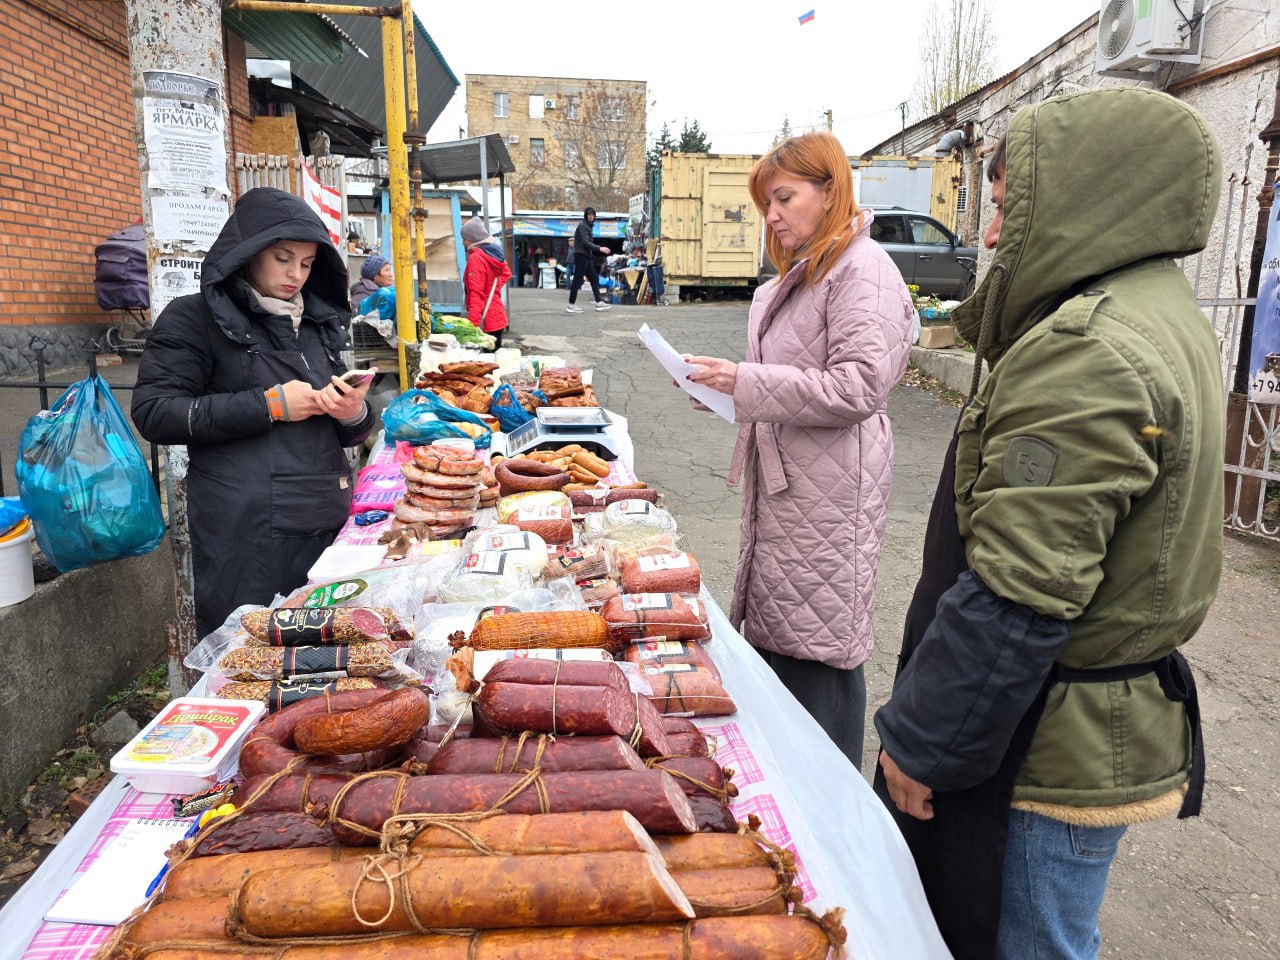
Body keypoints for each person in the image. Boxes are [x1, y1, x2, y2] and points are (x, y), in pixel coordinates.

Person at [872, 88, 1224, 960]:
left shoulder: (1089, 346)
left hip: (1044, 739)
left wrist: (920, 746)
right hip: (1070, 719)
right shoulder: (1155, 310)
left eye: (1006, 206)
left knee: (1028, 942)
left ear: (1080, 195)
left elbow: (1020, 590)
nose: (991, 235)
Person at [681, 132, 915, 768]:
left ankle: (832, 817)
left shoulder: (862, 271)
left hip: (831, 490)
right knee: (786, 635)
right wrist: (721, 391)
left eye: (783, 198)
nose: (772, 216)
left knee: (820, 646)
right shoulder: (815, 269)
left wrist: (745, 381)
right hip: (797, 484)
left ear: (830, 191)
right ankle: (794, 799)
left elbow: (858, 385)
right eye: (766, 204)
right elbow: (787, 385)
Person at [132, 187, 376, 638]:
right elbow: (155, 412)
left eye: (305, 263)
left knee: (326, 660)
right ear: (248, 253)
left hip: (323, 516)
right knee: (248, 654)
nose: (295, 274)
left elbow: (353, 430)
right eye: (282, 258)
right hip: (246, 532)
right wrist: (268, 406)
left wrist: (351, 412)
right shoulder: (193, 318)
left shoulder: (317, 323)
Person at [461, 216, 512, 348]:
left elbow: (476, 294)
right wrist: (491, 289)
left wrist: (473, 326)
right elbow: (506, 273)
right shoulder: (491, 254)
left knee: (486, 364)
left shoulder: (476, 258)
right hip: (497, 316)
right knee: (496, 362)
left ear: (472, 239)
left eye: (464, 239)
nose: (463, 243)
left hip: (486, 320)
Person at [566, 206, 611, 313]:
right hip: (581, 255)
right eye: (589, 215)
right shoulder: (582, 226)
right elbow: (586, 242)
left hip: (586, 256)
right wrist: (600, 248)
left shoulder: (588, 227)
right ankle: (571, 305)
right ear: (586, 216)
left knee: (594, 278)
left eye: (592, 215)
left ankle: (599, 302)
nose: (591, 217)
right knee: (578, 279)